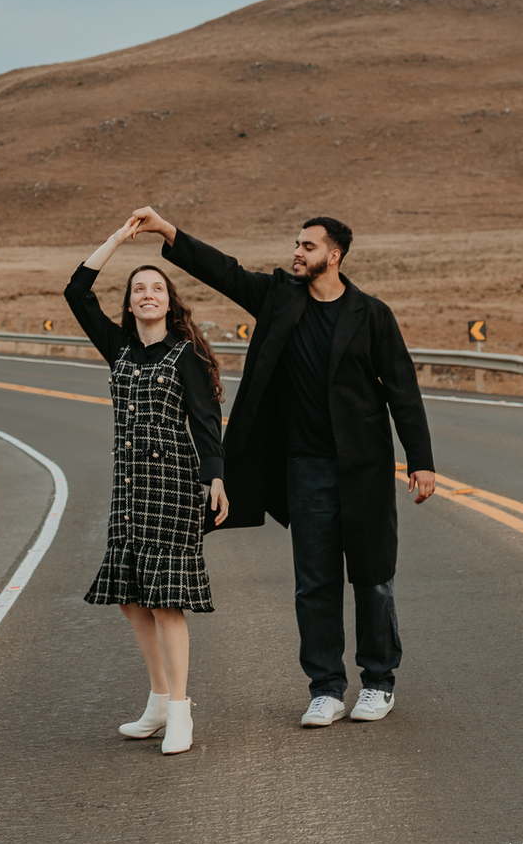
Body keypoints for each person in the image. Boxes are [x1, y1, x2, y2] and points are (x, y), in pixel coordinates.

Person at [126, 207, 436, 728]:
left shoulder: (372, 315)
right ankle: (326, 689)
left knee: (372, 577)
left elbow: (402, 391)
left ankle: (378, 681)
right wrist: (167, 231)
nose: (297, 252)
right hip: (305, 469)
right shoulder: (279, 298)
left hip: (365, 468)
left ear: (333, 256)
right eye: (296, 244)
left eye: (308, 247)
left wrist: (420, 462)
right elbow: (222, 270)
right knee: (313, 581)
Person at [64, 214, 229, 754]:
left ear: (169, 300)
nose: (148, 294)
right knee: (130, 598)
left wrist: (216, 479)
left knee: (165, 601)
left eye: (157, 287)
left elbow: (205, 422)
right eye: (139, 289)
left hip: (174, 485)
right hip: (129, 487)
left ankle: (180, 711)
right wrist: (116, 240)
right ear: (130, 303)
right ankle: (158, 700)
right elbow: (76, 289)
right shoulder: (119, 348)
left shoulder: (187, 353)